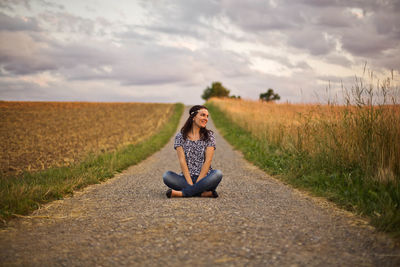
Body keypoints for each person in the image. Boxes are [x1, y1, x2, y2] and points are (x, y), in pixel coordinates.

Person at [162, 105, 223, 198]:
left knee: (218, 174)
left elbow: (208, 161)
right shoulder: (180, 136)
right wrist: (191, 184)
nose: (206, 118)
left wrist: (199, 182)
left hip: (205, 179)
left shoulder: (209, 135)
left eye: (207, 116)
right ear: (193, 117)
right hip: (186, 179)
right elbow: (182, 161)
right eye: (202, 115)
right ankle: (202, 193)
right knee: (167, 176)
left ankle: (183, 193)